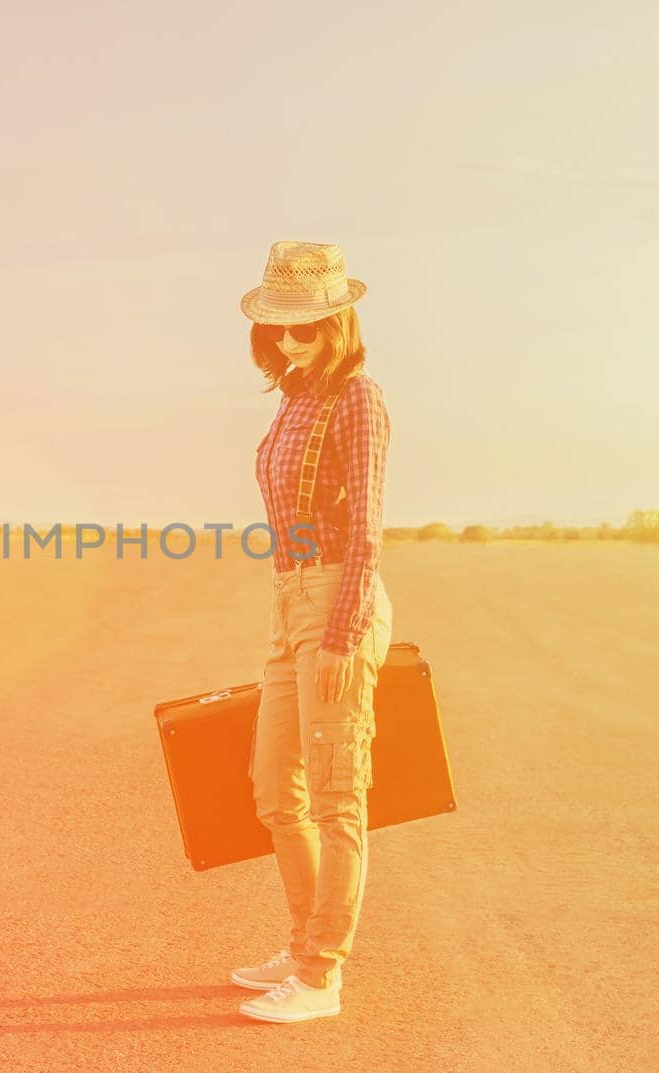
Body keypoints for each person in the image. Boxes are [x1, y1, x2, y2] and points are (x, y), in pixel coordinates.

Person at [231, 240, 394, 1024]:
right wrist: (292, 606)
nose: (290, 341)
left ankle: (322, 974)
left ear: (339, 322)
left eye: (306, 329)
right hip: (290, 598)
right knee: (274, 789)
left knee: (337, 798)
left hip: (337, 601)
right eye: (279, 331)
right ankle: (302, 946)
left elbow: (365, 527)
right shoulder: (294, 397)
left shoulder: (357, 398)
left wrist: (341, 630)